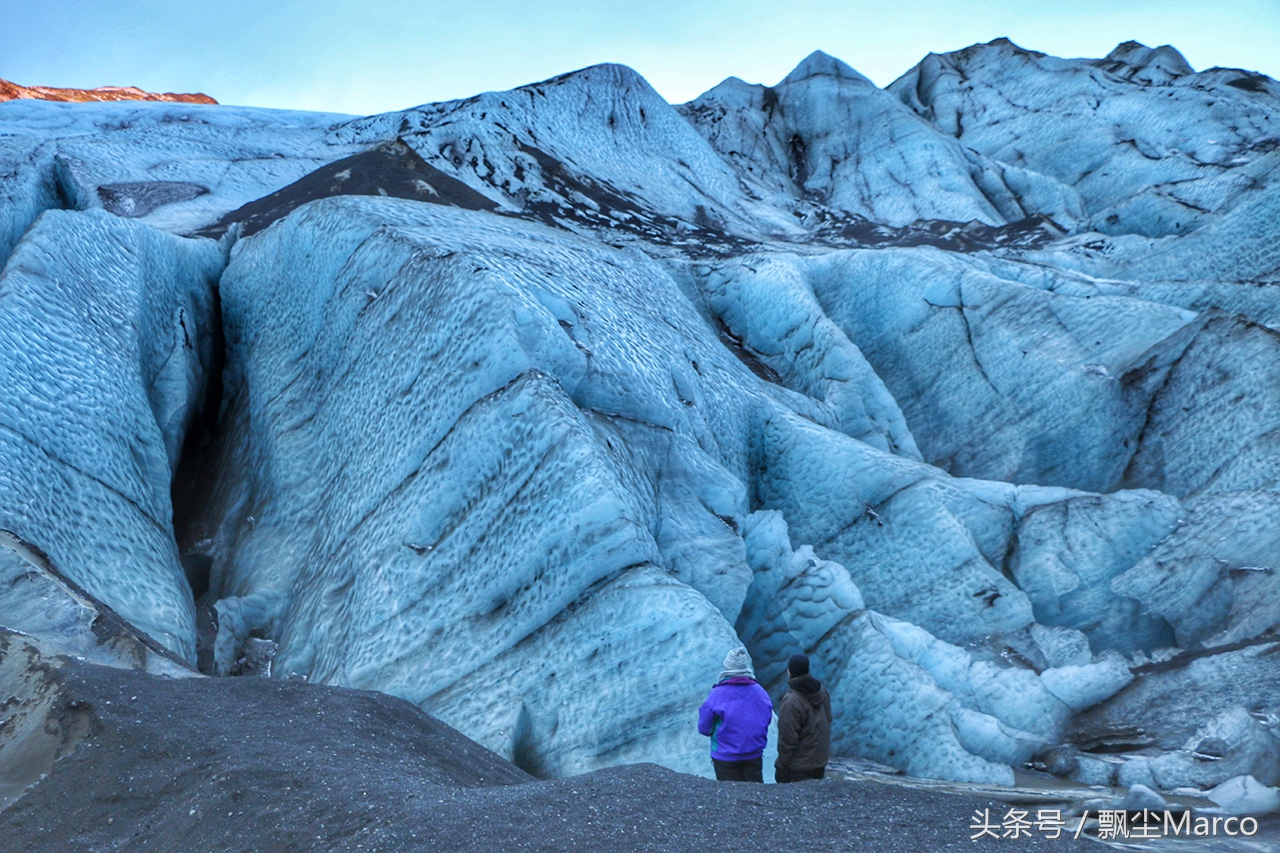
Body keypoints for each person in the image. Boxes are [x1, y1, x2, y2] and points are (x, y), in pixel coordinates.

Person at [697, 646, 772, 782]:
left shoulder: (718, 693)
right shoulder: (759, 691)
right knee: (756, 796)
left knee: (731, 799)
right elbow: (766, 717)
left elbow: (704, 727)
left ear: (728, 667)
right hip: (753, 753)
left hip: (725, 755)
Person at [774, 652, 831, 783]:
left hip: (799, 767)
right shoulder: (821, 691)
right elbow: (828, 719)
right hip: (819, 762)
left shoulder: (791, 701)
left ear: (790, 671)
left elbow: (788, 738)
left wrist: (781, 766)